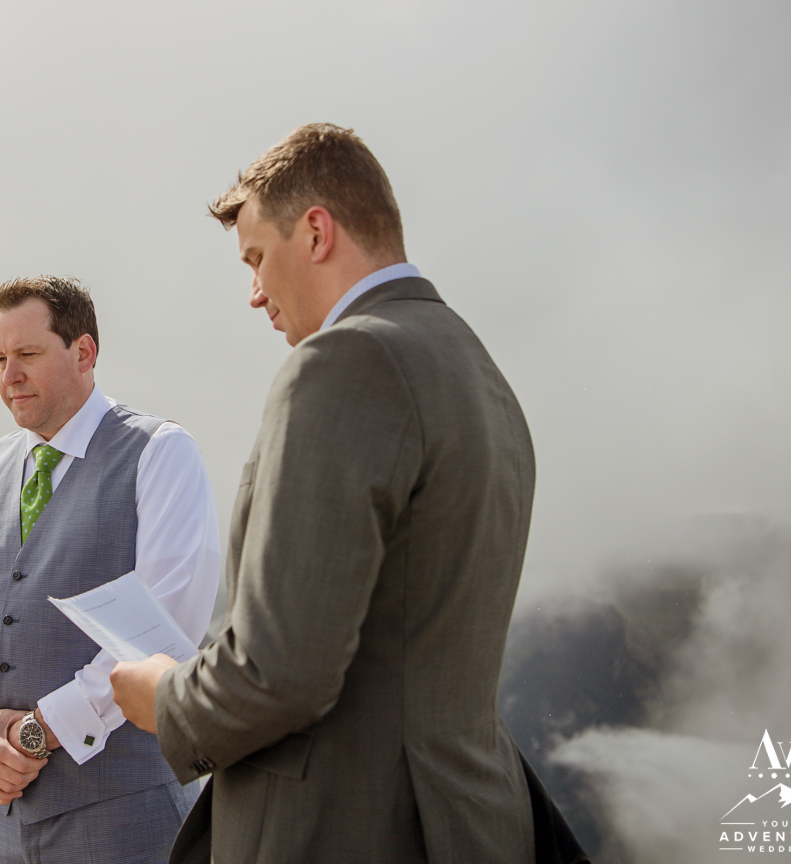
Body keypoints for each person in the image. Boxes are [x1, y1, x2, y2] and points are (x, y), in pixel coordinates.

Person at [111, 124, 550, 862]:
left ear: (315, 231)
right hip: (473, 822)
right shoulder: (478, 369)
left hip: (347, 828)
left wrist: (165, 698)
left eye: (256, 259)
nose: (254, 294)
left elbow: (280, 672)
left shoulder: (344, 361)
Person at [0, 276, 221, 864]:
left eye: (28, 355)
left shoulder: (160, 453)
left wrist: (36, 733)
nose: (9, 377)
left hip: (124, 816)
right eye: (0, 359)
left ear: (84, 352)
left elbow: (164, 633)